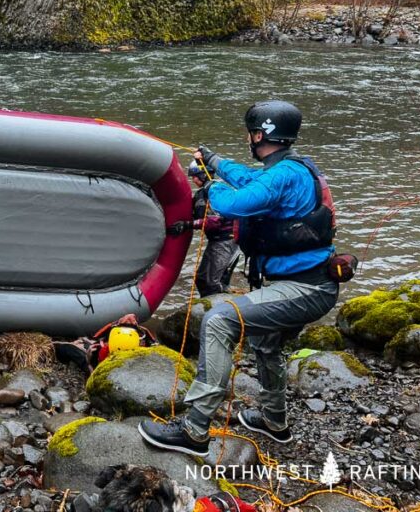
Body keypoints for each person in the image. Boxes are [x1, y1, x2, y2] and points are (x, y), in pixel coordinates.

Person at [138, 100, 338, 456]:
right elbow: (250, 181)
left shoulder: (284, 174)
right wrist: (215, 162)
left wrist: (209, 186)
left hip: (306, 288)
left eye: (251, 132)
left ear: (260, 134)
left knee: (219, 321)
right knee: (266, 343)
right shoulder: (287, 169)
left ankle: (194, 429)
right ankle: (273, 420)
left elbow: (234, 204)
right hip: (305, 284)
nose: (250, 138)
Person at [168, 161, 240, 297]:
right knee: (201, 279)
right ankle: (211, 303)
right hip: (216, 242)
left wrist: (187, 224)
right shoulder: (201, 194)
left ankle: (220, 310)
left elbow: (215, 221)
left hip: (226, 241)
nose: (193, 179)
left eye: (195, 176)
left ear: (203, 174)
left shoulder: (215, 191)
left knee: (211, 283)